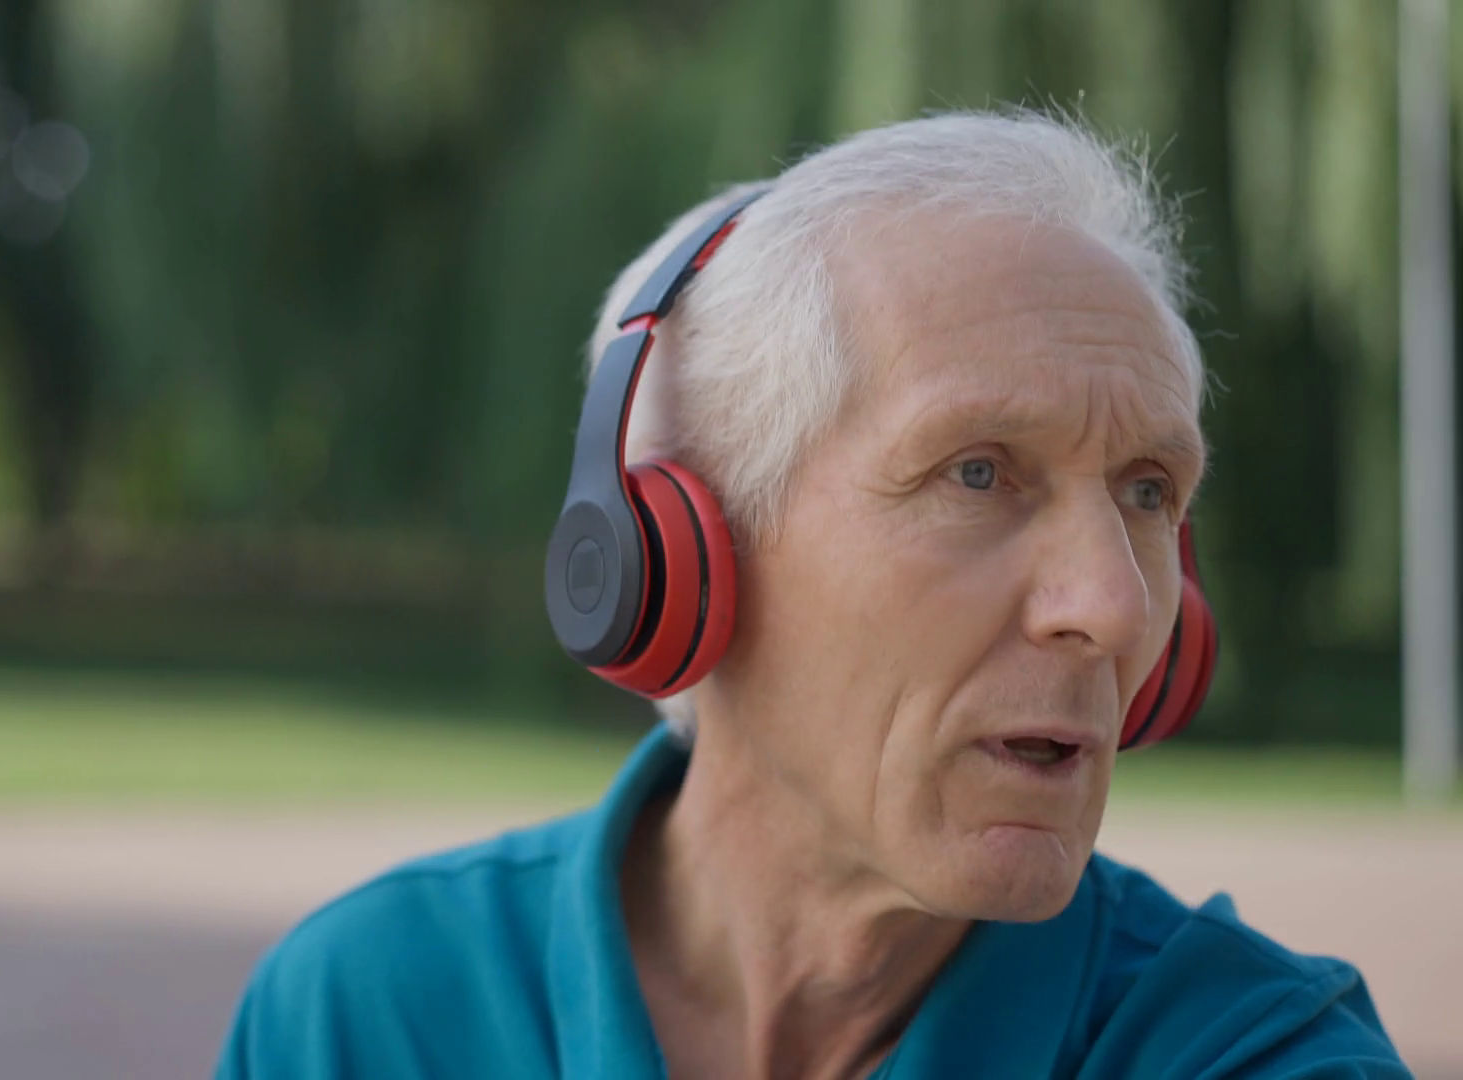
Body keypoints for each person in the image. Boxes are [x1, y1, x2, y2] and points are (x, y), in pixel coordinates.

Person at [214, 110, 1409, 1079]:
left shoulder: (1258, 1058)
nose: (1117, 606)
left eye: (1148, 491)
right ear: (671, 558)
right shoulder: (361, 1015)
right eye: (977, 472)